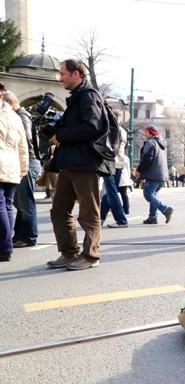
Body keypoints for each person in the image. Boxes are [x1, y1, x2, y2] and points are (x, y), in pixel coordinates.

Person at [47, 59, 114, 271]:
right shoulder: (77, 97)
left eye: (63, 73)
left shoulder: (89, 95)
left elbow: (92, 127)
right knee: (58, 210)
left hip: (85, 163)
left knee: (89, 212)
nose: (60, 78)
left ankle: (91, 255)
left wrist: (61, 136)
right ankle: (69, 253)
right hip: (69, 162)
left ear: (76, 74)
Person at [3, 91, 41, 247]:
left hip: (28, 160)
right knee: (20, 202)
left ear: (11, 102)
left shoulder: (21, 115)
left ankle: (29, 237)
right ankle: (20, 236)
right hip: (26, 161)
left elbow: (26, 137)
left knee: (25, 202)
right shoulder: (20, 114)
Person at [0, 93, 29, 261]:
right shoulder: (14, 116)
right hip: (12, 166)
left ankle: (4, 247)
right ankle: (6, 245)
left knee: (2, 207)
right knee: (8, 206)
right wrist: (23, 168)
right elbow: (23, 145)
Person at [136, 125, 174, 225]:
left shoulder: (150, 142)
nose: (145, 134)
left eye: (146, 132)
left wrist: (139, 170)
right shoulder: (162, 143)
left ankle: (165, 209)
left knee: (148, 194)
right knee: (154, 195)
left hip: (153, 173)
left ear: (151, 133)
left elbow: (147, 158)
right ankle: (152, 217)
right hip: (162, 174)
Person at [100, 112, 129, 228]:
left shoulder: (109, 129)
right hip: (119, 164)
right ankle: (100, 217)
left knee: (111, 193)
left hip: (110, 164)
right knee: (110, 193)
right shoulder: (123, 131)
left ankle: (122, 220)